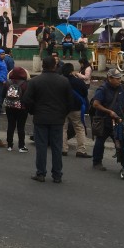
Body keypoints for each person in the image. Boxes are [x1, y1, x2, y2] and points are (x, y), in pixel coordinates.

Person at [22, 55, 78, 183]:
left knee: (41, 147)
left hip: (40, 117)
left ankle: (41, 173)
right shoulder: (64, 81)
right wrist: (63, 113)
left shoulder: (35, 81)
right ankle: (57, 174)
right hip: (57, 118)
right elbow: (70, 102)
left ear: (42, 65)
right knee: (57, 147)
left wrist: (34, 111)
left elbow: (26, 99)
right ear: (55, 66)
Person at [90, 68, 124, 172]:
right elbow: (95, 104)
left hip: (118, 121)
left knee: (122, 143)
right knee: (100, 142)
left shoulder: (121, 87)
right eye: (117, 78)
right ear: (110, 78)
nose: (119, 80)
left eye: (120, 78)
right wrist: (109, 112)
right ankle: (97, 162)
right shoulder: (102, 89)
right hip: (104, 121)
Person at [61, 63, 91, 158]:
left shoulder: (60, 80)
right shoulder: (78, 82)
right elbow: (84, 93)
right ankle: (81, 150)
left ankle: (63, 149)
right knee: (79, 128)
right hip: (76, 108)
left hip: (63, 108)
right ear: (72, 71)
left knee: (63, 128)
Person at [3, 66, 29, 152]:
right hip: (21, 107)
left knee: (10, 125)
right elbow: (27, 97)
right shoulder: (25, 84)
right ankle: (21, 146)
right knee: (21, 127)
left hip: (9, 106)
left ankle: (9, 145)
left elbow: (3, 94)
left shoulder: (7, 83)